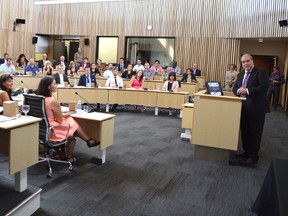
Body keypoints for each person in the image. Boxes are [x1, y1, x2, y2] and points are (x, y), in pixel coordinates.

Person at [36, 76, 100, 163]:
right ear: (49, 87)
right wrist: (65, 116)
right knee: (72, 125)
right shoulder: (53, 101)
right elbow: (60, 121)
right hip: (52, 130)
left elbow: (47, 114)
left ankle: (86, 142)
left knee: (70, 121)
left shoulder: (38, 99)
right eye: (54, 84)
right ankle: (70, 156)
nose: (57, 85)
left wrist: (63, 115)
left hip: (40, 130)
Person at [230, 54, 269, 167]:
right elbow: (235, 88)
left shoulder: (260, 72)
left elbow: (264, 87)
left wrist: (246, 90)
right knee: (245, 132)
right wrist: (238, 91)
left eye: (248, 61)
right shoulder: (241, 74)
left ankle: (253, 157)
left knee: (255, 133)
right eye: (243, 62)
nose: (246, 63)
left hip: (257, 108)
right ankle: (246, 152)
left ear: (252, 61)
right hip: (243, 107)